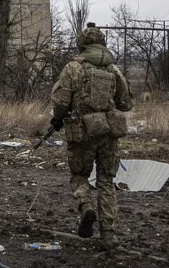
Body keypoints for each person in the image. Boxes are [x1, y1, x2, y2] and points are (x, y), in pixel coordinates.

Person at [50, 23, 133, 250]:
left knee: (79, 175)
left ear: (82, 45)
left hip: (82, 132)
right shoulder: (113, 70)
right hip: (108, 133)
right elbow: (126, 103)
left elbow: (60, 102)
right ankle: (108, 234)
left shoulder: (73, 68)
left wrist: (57, 119)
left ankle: (86, 206)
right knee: (106, 180)